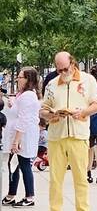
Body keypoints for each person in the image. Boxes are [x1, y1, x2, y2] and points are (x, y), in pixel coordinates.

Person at [40, 52, 97, 211]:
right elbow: (43, 109)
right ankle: (55, 208)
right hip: (56, 137)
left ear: (73, 64)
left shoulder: (88, 80)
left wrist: (82, 112)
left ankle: (82, 208)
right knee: (55, 180)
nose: (62, 73)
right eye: (58, 70)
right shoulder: (52, 84)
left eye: (65, 69)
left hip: (78, 135)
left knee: (81, 178)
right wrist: (52, 114)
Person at [2, 67, 41, 207]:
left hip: (23, 137)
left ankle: (29, 196)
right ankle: (11, 194)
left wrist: (16, 141)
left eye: (20, 77)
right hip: (18, 136)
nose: (18, 79)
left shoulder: (28, 96)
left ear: (28, 79)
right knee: (13, 165)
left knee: (24, 165)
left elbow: (24, 120)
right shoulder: (22, 95)